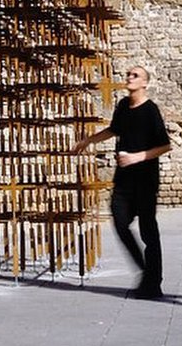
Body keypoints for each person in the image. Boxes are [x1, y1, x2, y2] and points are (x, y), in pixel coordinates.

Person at [72, 65, 171, 298]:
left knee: (148, 232)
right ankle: (146, 271)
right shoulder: (124, 106)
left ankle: (153, 282)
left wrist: (137, 157)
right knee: (119, 221)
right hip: (124, 180)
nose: (129, 77)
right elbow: (114, 129)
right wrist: (89, 140)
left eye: (135, 75)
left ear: (145, 83)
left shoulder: (150, 110)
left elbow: (165, 145)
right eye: (129, 74)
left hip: (145, 180)